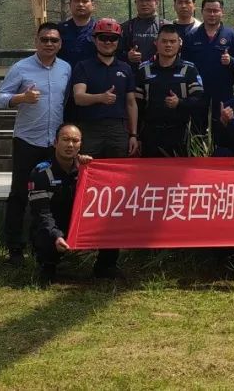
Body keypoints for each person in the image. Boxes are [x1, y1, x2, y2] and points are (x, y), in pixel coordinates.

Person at [0, 22, 72, 267]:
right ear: (36, 41)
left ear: (60, 44)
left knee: (53, 196)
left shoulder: (66, 68)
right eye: (44, 39)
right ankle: (15, 248)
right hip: (28, 140)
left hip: (53, 144)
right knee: (19, 194)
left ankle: (48, 246)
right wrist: (21, 98)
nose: (49, 44)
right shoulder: (21, 68)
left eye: (54, 40)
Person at [70, 17, 138, 279]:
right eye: (103, 38)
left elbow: (131, 103)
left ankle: (108, 260)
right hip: (90, 129)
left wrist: (133, 133)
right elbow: (79, 97)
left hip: (118, 131)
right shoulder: (84, 66)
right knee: (85, 188)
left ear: (118, 42)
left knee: (115, 192)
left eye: (112, 39)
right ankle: (76, 248)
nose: (108, 42)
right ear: (95, 40)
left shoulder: (125, 68)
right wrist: (101, 98)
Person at [27, 124, 93, 284]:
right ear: (55, 143)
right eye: (65, 139)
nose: (70, 145)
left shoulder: (87, 170)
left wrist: (89, 167)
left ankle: (106, 267)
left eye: (75, 141)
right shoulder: (41, 173)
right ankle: (48, 265)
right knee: (44, 231)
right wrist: (56, 236)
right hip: (52, 225)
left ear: (80, 145)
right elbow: (42, 214)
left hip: (78, 225)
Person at [182, 0, 234, 146]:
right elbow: (184, 64)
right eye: (208, 10)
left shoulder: (231, 34)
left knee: (222, 128)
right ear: (201, 12)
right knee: (197, 131)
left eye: (215, 11)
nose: (212, 14)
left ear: (222, 12)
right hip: (198, 93)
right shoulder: (191, 35)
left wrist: (231, 61)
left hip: (223, 91)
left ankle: (220, 154)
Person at [135, 25, 205, 157]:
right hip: (150, 135)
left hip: (180, 134)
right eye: (164, 41)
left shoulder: (189, 69)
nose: (168, 45)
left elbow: (200, 101)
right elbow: (136, 106)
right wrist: (136, 135)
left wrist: (180, 102)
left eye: (172, 41)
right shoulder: (144, 70)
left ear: (179, 43)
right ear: (156, 43)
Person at [120, 0, 165, 71]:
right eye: (141, 0)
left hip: (161, 74)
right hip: (134, 75)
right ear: (135, 2)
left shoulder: (166, 26)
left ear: (157, 2)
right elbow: (116, 53)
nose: (144, 4)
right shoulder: (126, 27)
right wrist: (127, 56)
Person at [59, 0, 96, 66]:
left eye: (85, 1)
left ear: (93, 5)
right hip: (65, 72)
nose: (80, 4)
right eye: (76, 1)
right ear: (70, 5)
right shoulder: (59, 30)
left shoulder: (99, 30)